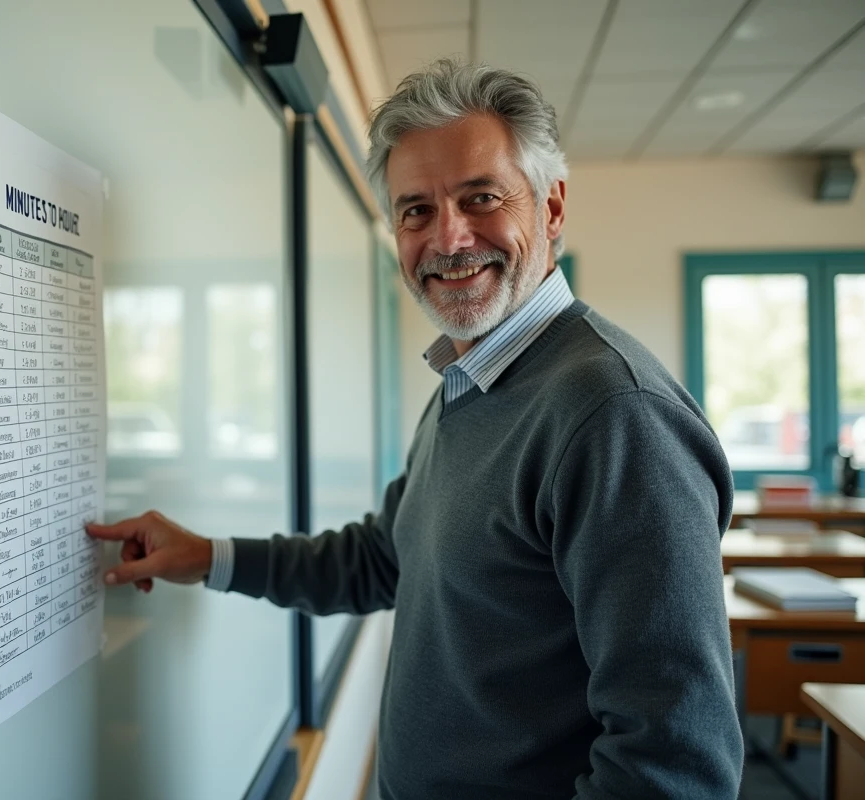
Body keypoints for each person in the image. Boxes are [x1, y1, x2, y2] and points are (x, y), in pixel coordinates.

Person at [87, 59, 743, 799]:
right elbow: (384, 558)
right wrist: (208, 555)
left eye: (481, 197)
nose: (450, 239)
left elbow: (673, 763)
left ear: (552, 209)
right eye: (416, 211)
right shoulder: (470, 380)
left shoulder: (614, 415)